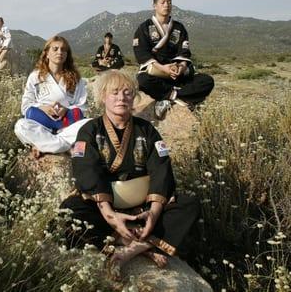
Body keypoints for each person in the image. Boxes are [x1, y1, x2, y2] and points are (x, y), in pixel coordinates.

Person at [60, 70, 199, 275]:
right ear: (103, 97)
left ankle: (133, 248)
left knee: (189, 204)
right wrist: (110, 216)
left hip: (141, 207)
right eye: (114, 92)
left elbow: (161, 168)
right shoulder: (89, 130)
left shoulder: (147, 130)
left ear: (134, 97)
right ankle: (140, 241)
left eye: (127, 92)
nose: (121, 97)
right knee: (68, 212)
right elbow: (86, 170)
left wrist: (153, 213)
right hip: (105, 206)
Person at [134, 0, 214, 119]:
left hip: (177, 74)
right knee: (142, 80)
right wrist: (163, 68)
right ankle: (183, 97)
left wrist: (181, 67)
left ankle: (168, 96)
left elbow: (184, 52)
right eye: (163, 2)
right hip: (158, 72)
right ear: (155, 5)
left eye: (169, 2)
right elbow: (141, 53)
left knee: (207, 81)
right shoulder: (144, 28)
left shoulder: (178, 27)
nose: (167, 5)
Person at [14, 36, 91, 158]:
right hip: (42, 126)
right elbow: (25, 107)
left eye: (63, 50)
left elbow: (83, 108)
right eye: (55, 49)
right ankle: (67, 147)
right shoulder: (35, 76)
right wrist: (43, 108)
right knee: (20, 125)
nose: (60, 52)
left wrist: (66, 110)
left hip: (67, 126)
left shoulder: (76, 79)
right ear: (47, 53)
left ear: (67, 55)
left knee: (90, 123)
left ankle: (43, 145)